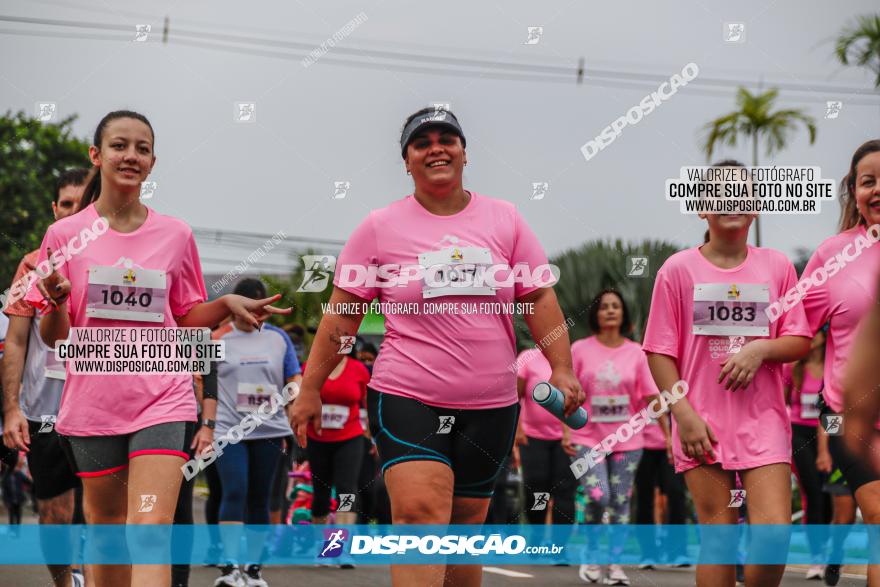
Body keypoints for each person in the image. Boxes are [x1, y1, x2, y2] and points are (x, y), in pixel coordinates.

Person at [292, 106, 584, 587]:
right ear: (406, 161)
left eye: (446, 138)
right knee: (421, 520)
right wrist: (311, 387)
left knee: (464, 530)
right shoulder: (379, 227)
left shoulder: (505, 219)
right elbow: (341, 315)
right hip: (408, 396)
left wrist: (562, 367)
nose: (436, 148)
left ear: (465, 153)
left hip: (491, 405)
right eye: (421, 142)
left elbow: (538, 296)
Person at [25, 110, 290, 587]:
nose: (131, 156)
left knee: (149, 528)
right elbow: (54, 338)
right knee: (106, 534)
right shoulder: (63, 237)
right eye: (119, 146)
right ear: (97, 156)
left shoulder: (175, 234)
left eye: (142, 148)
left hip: (162, 401)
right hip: (91, 405)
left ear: (152, 162)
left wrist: (226, 303)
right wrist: (59, 304)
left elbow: (186, 317)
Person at [643, 160, 811, 587]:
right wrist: (683, 415)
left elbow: (799, 339)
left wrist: (760, 349)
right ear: (701, 205)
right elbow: (659, 352)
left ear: (756, 205)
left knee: (774, 534)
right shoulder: (677, 270)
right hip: (701, 421)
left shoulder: (777, 266)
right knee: (718, 541)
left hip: (764, 421)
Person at [3, 167, 89, 587]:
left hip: (103, 410)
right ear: (55, 210)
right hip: (46, 415)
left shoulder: (114, 260)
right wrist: (12, 409)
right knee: (55, 516)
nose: (74, 213)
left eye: (82, 204)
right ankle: (65, 581)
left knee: (102, 515)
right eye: (66, 205)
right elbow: (16, 341)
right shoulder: (32, 265)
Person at [801, 139, 880, 585]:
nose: (878, 190)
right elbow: (796, 331)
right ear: (854, 191)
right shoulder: (832, 256)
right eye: (868, 181)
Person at [199, 277, 301, 587]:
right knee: (234, 490)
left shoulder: (279, 339)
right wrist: (207, 426)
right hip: (230, 430)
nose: (256, 316)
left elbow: (293, 375)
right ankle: (230, 568)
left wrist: (294, 403)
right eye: (251, 309)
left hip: (269, 430)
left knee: (260, 497)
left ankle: (254, 570)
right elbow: (203, 384)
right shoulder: (217, 339)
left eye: (262, 310)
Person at [567, 289, 661, 585]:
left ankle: (615, 565)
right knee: (599, 496)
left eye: (616, 306)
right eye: (604, 306)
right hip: (587, 438)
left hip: (628, 440)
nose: (610, 310)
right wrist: (565, 430)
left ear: (623, 314)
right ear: (596, 314)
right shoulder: (580, 349)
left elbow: (650, 397)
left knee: (621, 500)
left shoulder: (636, 353)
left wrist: (670, 430)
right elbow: (567, 395)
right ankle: (593, 554)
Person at [303, 352, 370, 559]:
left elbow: (367, 402)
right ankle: (320, 546)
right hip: (317, 438)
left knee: (346, 488)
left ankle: (339, 548)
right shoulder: (310, 366)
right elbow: (301, 399)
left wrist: (373, 432)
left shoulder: (358, 369)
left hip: (350, 436)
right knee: (321, 494)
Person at [514, 346, 577, 553]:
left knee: (565, 491)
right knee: (536, 489)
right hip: (532, 437)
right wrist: (518, 429)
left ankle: (560, 546)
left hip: (565, 439)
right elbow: (517, 395)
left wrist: (571, 432)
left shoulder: (571, 359)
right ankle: (537, 534)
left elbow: (578, 396)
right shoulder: (527, 358)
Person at [783, 330, 831, 580]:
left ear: (825, 337)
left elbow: (837, 406)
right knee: (812, 493)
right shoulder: (793, 369)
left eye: (816, 333)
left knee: (830, 496)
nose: (810, 337)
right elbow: (780, 404)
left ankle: (831, 550)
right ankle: (817, 557)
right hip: (800, 434)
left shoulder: (833, 367)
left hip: (831, 433)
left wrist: (833, 444)